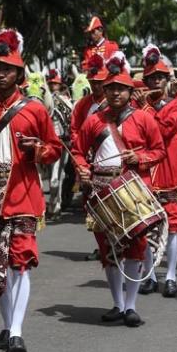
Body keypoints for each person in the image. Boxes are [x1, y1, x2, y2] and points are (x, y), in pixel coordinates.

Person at [0, 28, 62, 352]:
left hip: (23, 193)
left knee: (19, 261)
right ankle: (7, 327)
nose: (2, 73)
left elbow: (54, 148)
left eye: (8, 68)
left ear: (19, 73)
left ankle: (17, 330)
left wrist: (38, 152)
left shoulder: (34, 109)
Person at [72, 53, 164, 327]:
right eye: (110, 88)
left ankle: (132, 306)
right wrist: (82, 168)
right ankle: (117, 303)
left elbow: (158, 150)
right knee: (108, 250)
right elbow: (77, 151)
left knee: (136, 247)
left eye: (120, 88)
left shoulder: (144, 119)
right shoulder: (93, 121)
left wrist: (141, 159)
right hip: (100, 189)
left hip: (133, 188)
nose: (114, 93)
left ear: (129, 91)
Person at [137, 45, 177, 298]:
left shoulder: (175, 106)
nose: (156, 82)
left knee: (173, 225)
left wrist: (144, 108)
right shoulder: (139, 106)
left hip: (168, 172)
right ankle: (150, 275)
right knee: (145, 226)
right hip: (145, 170)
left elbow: (162, 129)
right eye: (152, 78)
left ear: (167, 81)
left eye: (160, 78)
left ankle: (172, 276)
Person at [70, 52, 108, 261]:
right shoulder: (83, 104)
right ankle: (101, 244)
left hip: (108, 160)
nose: (96, 86)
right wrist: (81, 153)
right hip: (88, 160)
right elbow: (75, 130)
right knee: (91, 204)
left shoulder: (113, 103)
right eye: (93, 82)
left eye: (100, 82)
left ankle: (113, 242)